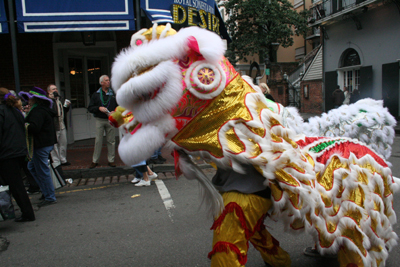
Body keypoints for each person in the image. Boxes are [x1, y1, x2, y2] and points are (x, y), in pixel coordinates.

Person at [208, 165, 291, 267]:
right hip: (245, 187)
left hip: (245, 192)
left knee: (226, 250)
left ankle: (279, 261)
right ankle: (279, 261)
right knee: (252, 230)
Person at [0, 87, 36, 222]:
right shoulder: (15, 111)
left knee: (16, 185)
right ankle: (26, 212)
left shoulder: (2, 112)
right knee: (17, 184)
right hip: (18, 151)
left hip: (7, 154)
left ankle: (27, 213)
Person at [19, 87, 57, 207]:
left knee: (42, 170)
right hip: (43, 143)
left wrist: (24, 125)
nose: (28, 101)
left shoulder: (38, 111)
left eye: (30, 98)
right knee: (33, 168)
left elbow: (35, 128)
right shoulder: (40, 110)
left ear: (35, 99)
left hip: (41, 144)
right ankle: (46, 191)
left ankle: (50, 196)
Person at [87, 75, 118, 168]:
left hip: (110, 120)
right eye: (106, 80)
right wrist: (98, 108)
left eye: (109, 80)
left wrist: (115, 111)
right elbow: (90, 108)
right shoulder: (96, 95)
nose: (109, 81)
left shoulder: (113, 94)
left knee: (111, 141)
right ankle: (95, 160)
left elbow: (120, 105)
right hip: (100, 120)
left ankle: (111, 160)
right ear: (101, 83)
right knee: (98, 141)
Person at [47, 84, 71, 167]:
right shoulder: (49, 101)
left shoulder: (59, 100)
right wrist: (51, 99)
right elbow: (52, 112)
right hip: (54, 126)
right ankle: (56, 161)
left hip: (62, 125)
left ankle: (63, 159)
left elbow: (61, 112)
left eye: (56, 89)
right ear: (49, 91)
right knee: (54, 145)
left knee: (63, 143)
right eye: (53, 89)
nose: (55, 90)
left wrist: (66, 107)